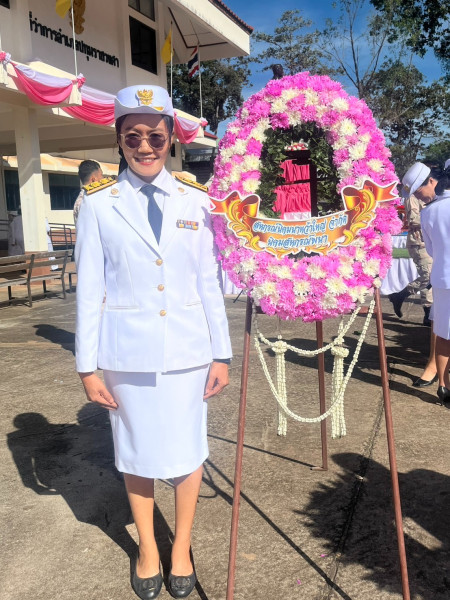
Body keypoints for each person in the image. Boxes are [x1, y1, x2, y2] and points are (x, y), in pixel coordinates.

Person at [75, 84, 232, 600]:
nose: (145, 146)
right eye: (133, 137)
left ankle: (181, 546)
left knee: (188, 451)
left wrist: (222, 353)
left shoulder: (196, 200)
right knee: (136, 452)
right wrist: (86, 367)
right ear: (119, 140)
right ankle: (147, 546)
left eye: (155, 137)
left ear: (171, 139)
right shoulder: (99, 204)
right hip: (127, 355)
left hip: (189, 352)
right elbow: (90, 290)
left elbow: (208, 282)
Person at [403, 162, 450, 405]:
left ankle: (444, 386)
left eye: (419, 191)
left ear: (431, 181)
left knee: (443, 333)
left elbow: (431, 250)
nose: (418, 197)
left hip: (443, 279)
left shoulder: (428, 213)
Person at [73, 160, 104, 225]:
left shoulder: (83, 198)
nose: (103, 179)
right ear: (94, 179)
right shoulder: (89, 200)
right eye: (101, 175)